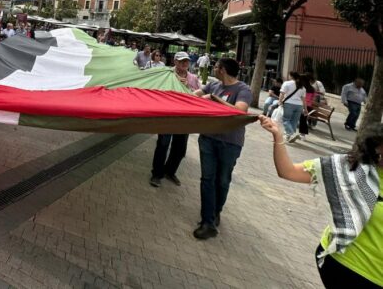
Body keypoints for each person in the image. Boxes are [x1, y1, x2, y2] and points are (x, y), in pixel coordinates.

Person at [259, 116, 382, 288]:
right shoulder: (350, 169)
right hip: (347, 264)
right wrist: (278, 136)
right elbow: (288, 171)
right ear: (378, 146)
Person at [192, 58, 252, 239]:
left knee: (222, 181)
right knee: (207, 179)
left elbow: (239, 111)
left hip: (230, 143)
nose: (214, 69)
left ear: (223, 70)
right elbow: (195, 94)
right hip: (208, 139)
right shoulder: (213, 85)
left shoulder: (243, 90)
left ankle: (216, 211)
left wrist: (215, 99)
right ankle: (207, 221)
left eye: (216, 67)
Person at [150, 52, 200, 187]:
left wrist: (188, 87)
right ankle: (156, 174)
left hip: (185, 118)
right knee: (163, 144)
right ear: (175, 62)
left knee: (180, 148)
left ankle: (170, 171)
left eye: (186, 61)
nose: (184, 63)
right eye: (181, 61)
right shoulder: (167, 74)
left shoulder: (193, 78)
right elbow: (159, 91)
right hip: (168, 116)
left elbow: (199, 96)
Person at [279, 72, 306, 142]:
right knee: (294, 122)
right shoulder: (302, 87)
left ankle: (292, 134)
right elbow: (304, 100)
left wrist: (280, 102)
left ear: (291, 76)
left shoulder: (287, 83)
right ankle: (289, 137)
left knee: (285, 120)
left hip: (289, 104)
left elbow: (282, 94)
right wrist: (305, 109)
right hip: (299, 106)